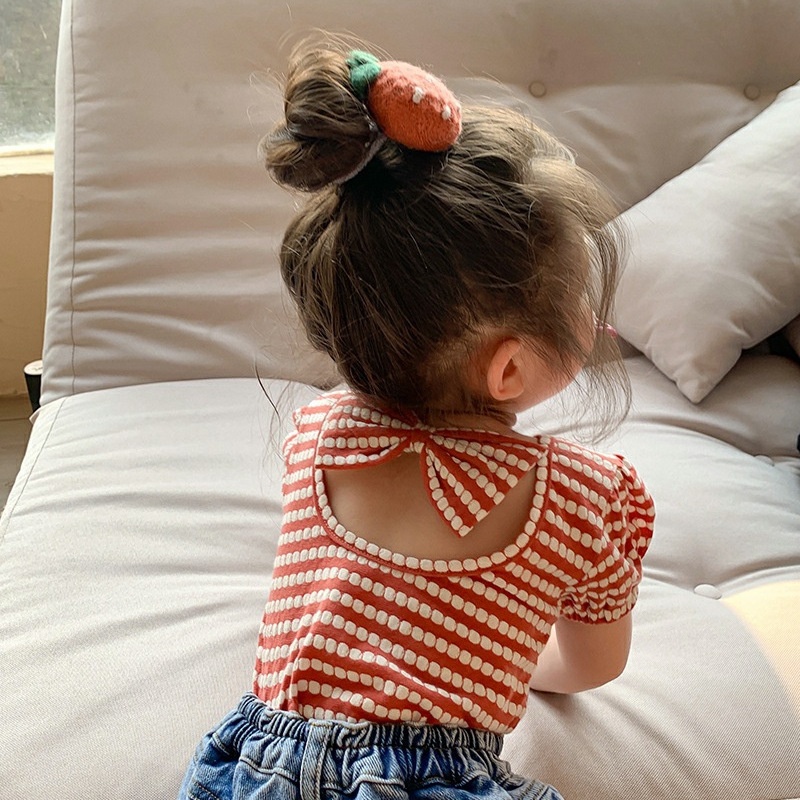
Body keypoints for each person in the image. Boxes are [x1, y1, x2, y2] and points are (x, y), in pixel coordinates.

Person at [178, 40, 655, 800]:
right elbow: (591, 665)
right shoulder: (582, 497)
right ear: (508, 369)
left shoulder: (317, 433)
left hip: (255, 770)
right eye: (576, 301)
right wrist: (507, 658)